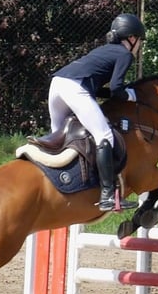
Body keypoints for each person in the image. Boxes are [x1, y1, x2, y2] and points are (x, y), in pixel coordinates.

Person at [47, 13, 146, 211]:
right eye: (140, 41)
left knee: (57, 139)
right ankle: (107, 196)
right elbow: (117, 89)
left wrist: (119, 93)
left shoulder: (103, 50)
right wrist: (132, 96)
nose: (139, 46)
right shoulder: (124, 54)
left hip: (57, 85)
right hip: (74, 88)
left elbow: (98, 89)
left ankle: (56, 187)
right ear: (131, 38)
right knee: (104, 136)